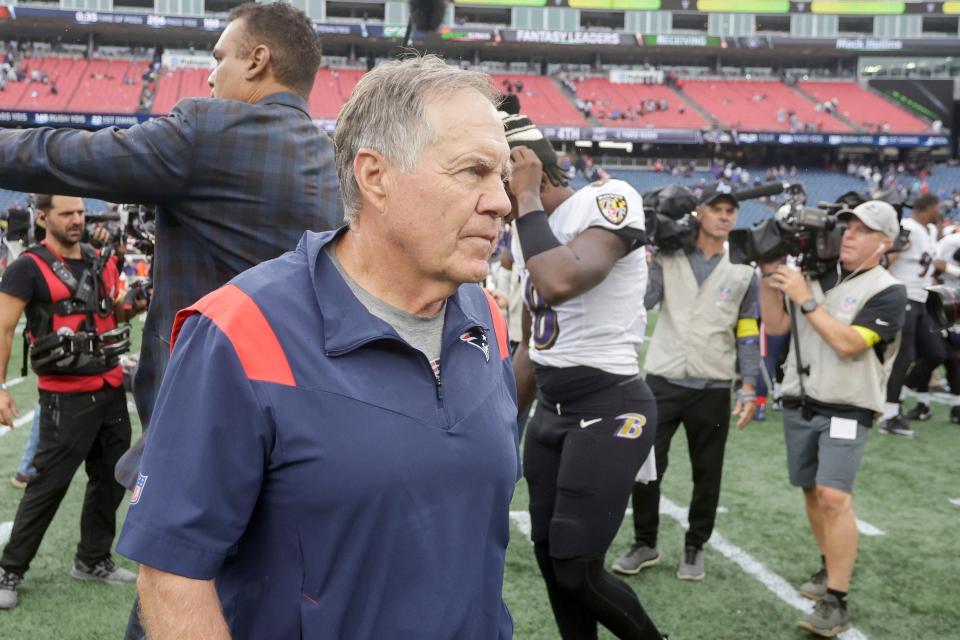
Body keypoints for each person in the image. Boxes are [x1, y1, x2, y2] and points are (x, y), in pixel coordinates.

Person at [116, 55, 520, 640]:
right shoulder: (240, 330)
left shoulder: (486, 321)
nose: (502, 200)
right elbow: (172, 573)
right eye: (474, 172)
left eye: (502, 174)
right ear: (375, 176)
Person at [0, 1, 342, 495]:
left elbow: (61, 158)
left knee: (174, 574)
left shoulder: (208, 133)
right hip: (309, 424)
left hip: (205, 427)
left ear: (257, 60)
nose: (208, 77)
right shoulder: (334, 159)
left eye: (218, 59)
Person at [507, 111, 665, 639]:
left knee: (578, 565)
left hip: (608, 405)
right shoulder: (523, 231)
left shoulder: (605, 197)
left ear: (527, 169)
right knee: (552, 561)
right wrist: (502, 421)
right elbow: (534, 344)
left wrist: (526, 201)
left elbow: (559, 282)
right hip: (552, 411)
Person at [759, 201, 906, 637]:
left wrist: (805, 299)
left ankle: (837, 600)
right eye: (849, 227)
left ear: (883, 245)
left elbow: (847, 344)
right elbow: (776, 325)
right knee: (811, 491)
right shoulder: (817, 274)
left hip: (848, 403)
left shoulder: (888, 290)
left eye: (864, 231)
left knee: (833, 496)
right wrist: (770, 275)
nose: (850, 235)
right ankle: (828, 568)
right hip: (801, 398)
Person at [0, 194, 146, 610]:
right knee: (47, 486)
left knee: (110, 479)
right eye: (67, 213)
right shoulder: (27, 267)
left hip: (111, 386)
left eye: (81, 212)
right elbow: (4, 326)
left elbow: (107, 314)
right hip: (65, 395)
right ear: (43, 216)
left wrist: (131, 305)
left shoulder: (101, 257)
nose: (77, 220)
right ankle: (10, 568)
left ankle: (92, 558)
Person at [613, 186, 759, 581]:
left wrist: (750, 385)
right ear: (699, 213)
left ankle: (695, 545)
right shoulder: (668, 254)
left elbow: (748, 330)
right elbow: (644, 302)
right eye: (717, 209)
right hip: (664, 378)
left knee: (707, 472)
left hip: (713, 384)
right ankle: (645, 542)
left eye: (731, 210)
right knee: (646, 466)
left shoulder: (745, 268)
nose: (725, 216)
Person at [882, 193, 941, 436]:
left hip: (923, 299)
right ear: (927, 208)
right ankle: (890, 415)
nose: (940, 211)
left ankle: (903, 391)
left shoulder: (930, 231)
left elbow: (932, 264)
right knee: (903, 357)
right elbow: (887, 259)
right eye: (936, 207)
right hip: (904, 296)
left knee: (937, 352)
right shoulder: (906, 227)